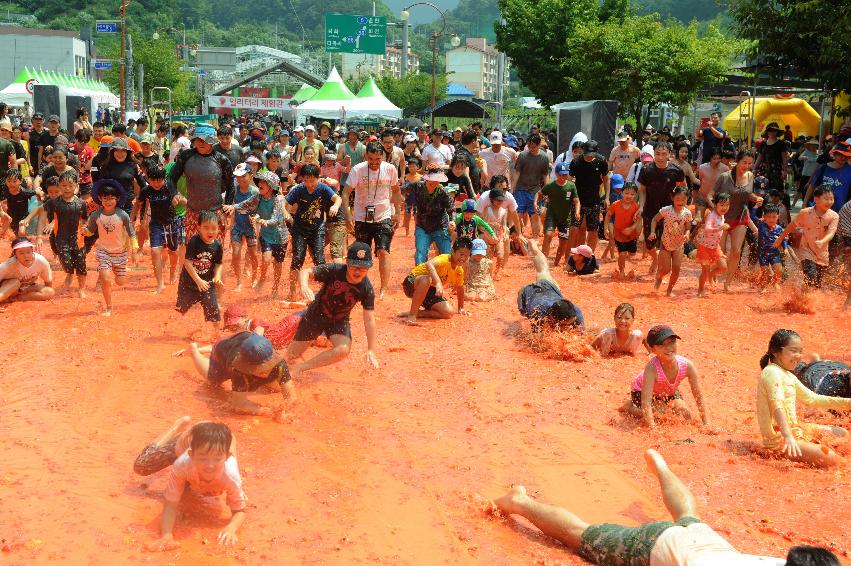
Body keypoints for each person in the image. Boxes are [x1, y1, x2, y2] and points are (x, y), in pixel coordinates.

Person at [492, 448, 837, 565]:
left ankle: (662, 467)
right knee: (579, 536)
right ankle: (519, 501)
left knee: (689, 517)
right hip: (661, 545)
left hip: (708, 542)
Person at [134, 419, 246, 552]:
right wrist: (166, 535)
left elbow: (240, 510)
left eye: (217, 459)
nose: (210, 466)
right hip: (188, 439)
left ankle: (204, 465)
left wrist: (231, 528)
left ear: (227, 456)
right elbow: (170, 504)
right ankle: (175, 427)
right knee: (141, 466)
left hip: (218, 442)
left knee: (212, 487)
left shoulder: (231, 475)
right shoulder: (182, 464)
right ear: (191, 455)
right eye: (203, 459)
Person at [757, 329, 851, 467]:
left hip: (795, 429)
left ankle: (809, 447)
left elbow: (813, 398)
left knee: (842, 433)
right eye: (793, 351)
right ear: (776, 351)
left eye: (800, 351)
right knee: (833, 460)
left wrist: (848, 403)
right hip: (781, 441)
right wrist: (788, 436)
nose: (798, 356)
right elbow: (776, 404)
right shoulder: (771, 372)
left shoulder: (788, 375)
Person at [287, 242, 379, 379]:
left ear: (369, 268)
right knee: (290, 356)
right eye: (354, 267)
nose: (358, 271)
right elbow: (305, 272)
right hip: (315, 316)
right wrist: (304, 287)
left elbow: (369, 319)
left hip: (338, 321)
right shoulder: (335, 270)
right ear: (347, 263)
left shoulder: (366, 288)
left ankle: (302, 367)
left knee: (343, 349)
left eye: (363, 268)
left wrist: (371, 349)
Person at [342, 141, 402, 298]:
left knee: (383, 251)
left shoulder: (390, 169)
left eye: (378, 159)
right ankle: (360, 285)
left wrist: (398, 212)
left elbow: (396, 191)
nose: (374, 163)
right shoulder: (357, 170)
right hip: (362, 217)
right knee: (361, 253)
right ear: (365, 156)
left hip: (384, 216)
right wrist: (348, 215)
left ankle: (383, 288)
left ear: (382, 157)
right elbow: (346, 193)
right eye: (371, 159)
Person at [621, 325, 711, 429]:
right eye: (661, 345)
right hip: (640, 391)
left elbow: (699, 396)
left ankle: (661, 406)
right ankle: (629, 407)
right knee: (660, 416)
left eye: (672, 342)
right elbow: (646, 402)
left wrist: (707, 424)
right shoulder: (651, 369)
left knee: (685, 415)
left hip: (667, 390)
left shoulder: (687, 365)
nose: (669, 348)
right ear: (652, 349)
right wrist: (652, 428)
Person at [167, 123, 235, 242]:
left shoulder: (222, 160)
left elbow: (230, 187)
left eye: (204, 140)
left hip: (216, 213)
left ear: (211, 141)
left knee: (213, 254)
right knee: (193, 254)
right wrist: (174, 194)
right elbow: (172, 178)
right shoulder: (186, 156)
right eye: (197, 140)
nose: (200, 143)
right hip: (193, 213)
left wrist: (226, 211)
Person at [284, 163, 342, 300]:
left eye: (312, 180)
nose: (309, 183)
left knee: (320, 260)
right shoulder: (299, 189)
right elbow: (284, 202)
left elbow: (337, 198)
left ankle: (325, 291)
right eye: (306, 180)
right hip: (299, 228)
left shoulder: (323, 188)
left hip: (317, 228)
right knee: (297, 258)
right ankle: (292, 291)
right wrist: (285, 212)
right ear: (302, 179)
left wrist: (335, 206)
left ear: (318, 177)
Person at [82, 180, 138, 316]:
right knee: (106, 278)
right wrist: (85, 231)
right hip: (104, 251)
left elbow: (131, 233)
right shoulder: (96, 215)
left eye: (111, 198)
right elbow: (90, 231)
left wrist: (134, 250)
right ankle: (109, 307)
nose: (108, 201)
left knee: (120, 282)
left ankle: (116, 269)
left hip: (120, 252)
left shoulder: (122, 215)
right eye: (105, 198)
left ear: (117, 199)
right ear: (100, 199)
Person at [774, 185, 838, 289]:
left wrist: (822, 241)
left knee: (817, 284)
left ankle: (805, 298)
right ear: (816, 199)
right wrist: (780, 238)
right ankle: (805, 302)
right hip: (806, 251)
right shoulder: (806, 213)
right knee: (810, 277)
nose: (829, 201)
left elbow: (831, 233)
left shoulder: (834, 216)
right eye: (826, 199)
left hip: (822, 254)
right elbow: (792, 225)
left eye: (832, 199)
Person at [713, 149, 759, 291]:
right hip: (722, 218)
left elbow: (747, 193)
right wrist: (714, 212)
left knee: (736, 251)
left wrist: (755, 198)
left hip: (740, 217)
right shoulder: (724, 177)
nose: (746, 166)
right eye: (744, 162)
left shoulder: (751, 176)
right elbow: (710, 195)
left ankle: (728, 283)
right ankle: (713, 274)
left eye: (750, 163)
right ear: (737, 161)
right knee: (720, 251)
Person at [134, 164, 184, 293]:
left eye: (160, 180)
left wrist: (189, 205)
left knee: (173, 251)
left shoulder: (169, 187)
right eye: (153, 180)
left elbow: (181, 199)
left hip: (171, 223)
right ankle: (160, 284)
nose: (157, 183)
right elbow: (138, 204)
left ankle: (172, 270)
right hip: (155, 224)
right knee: (155, 251)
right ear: (148, 179)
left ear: (164, 178)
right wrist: (131, 219)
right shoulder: (146, 190)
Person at [400, 236, 472, 324]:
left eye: (467, 256)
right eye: (461, 254)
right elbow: (429, 264)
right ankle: (412, 316)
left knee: (448, 312)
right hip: (411, 283)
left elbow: (460, 288)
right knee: (426, 279)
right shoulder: (444, 259)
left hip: (429, 290)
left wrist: (461, 308)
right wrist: (438, 283)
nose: (463, 258)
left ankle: (417, 313)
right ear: (453, 251)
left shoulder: (459, 271)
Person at [638, 142, 685, 274]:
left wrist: (681, 207)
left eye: (664, 154)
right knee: (649, 245)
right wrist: (641, 206)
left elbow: (683, 188)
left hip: (669, 212)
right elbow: (641, 190)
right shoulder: (646, 170)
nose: (660, 157)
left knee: (666, 242)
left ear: (670, 154)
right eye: (657, 154)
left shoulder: (676, 170)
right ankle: (656, 258)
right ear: (654, 154)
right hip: (649, 211)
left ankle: (663, 270)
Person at [517, 240, 585, 331]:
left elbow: (582, 335)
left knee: (543, 270)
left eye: (570, 324)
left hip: (549, 289)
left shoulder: (576, 313)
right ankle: (533, 245)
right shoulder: (538, 313)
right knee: (524, 314)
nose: (568, 327)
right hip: (528, 293)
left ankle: (534, 246)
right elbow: (536, 341)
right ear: (552, 319)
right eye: (564, 325)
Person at [40, 170, 87, 295]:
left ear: (76, 186)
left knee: (81, 264)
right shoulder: (54, 202)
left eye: (70, 185)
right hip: (61, 238)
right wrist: (43, 230)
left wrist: (85, 228)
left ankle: (81, 288)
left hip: (77, 238)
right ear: (59, 185)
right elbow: (42, 212)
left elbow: (85, 219)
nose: (67, 188)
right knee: (66, 262)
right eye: (64, 185)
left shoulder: (81, 203)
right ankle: (70, 273)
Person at [404, 163, 454, 265]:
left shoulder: (443, 192)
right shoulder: (417, 186)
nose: (434, 182)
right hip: (422, 227)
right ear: (426, 178)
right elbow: (400, 190)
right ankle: (420, 277)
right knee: (420, 254)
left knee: (446, 255)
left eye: (437, 180)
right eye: (431, 179)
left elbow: (451, 209)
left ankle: (444, 277)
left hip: (440, 227)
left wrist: (452, 221)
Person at [648, 185, 693, 296]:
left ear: (687, 199)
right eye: (678, 199)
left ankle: (669, 291)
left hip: (679, 245)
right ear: (672, 198)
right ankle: (659, 275)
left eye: (683, 199)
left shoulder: (687, 213)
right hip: (665, 243)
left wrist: (687, 234)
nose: (680, 202)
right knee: (667, 269)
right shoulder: (666, 210)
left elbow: (688, 228)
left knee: (676, 269)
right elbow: (654, 219)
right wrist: (652, 232)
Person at [252, 171, 289, 298]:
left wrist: (265, 221)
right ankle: (262, 278)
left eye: (264, 182)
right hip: (266, 235)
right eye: (260, 181)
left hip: (280, 237)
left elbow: (276, 219)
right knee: (266, 259)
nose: (260, 184)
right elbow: (256, 212)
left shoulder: (277, 200)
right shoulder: (258, 198)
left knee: (278, 265)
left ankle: (275, 288)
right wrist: (256, 217)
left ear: (271, 186)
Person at [224, 163, 260, 292]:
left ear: (250, 176)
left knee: (253, 255)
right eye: (238, 177)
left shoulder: (255, 191)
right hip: (237, 226)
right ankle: (239, 282)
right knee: (235, 254)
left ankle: (255, 278)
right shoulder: (234, 190)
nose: (240, 179)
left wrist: (234, 207)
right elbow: (226, 203)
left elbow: (251, 205)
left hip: (251, 227)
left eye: (243, 176)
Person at [541, 162, 580, 264]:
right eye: (561, 174)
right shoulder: (550, 186)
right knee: (548, 235)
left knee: (563, 242)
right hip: (552, 216)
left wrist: (577, 212)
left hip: (565, 218)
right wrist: (536, 205)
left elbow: (576, 201)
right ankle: (543, 261)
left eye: (565, 174)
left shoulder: (571, 186)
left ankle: (556, 263)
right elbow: (539, 193)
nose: (563, 177)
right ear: (556, 174)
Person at [513, 133, 551, 238]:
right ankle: (517, 236)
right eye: (529, 146)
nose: (531, 149)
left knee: (535, 215)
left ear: (539, 145)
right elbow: (517, 173)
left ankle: (535, 238)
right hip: (521, 188)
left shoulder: (544, 157)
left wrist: (546, 190)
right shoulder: (523, 155)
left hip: (535, 190)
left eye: (533, 146)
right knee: (518, 214)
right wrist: (513, 188)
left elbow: (545, 175)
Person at [695, 192, 731, 297]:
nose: (724, 207)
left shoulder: (722, 215)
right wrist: (719, 228)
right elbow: (707, 229)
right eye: (722, 204)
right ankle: (700, 290)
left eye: (727, 205)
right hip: (705, 246)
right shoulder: (712, 216)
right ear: (715, 205)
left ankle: (711, 275)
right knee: (704, 270)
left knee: (723, 267)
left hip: (715, 246)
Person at [604, 183, 642, 280]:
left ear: (635, 195)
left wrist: (632, 228)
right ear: (621, 193)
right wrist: (606, 228)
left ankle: (628, 269)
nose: (629, 196)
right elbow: (608, 215)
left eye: (632, 194)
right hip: (619, 234)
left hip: (631, 236)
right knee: (622, 253)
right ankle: (621, 271)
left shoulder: (636, 206)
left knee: (632, 254)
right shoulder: (615, 205)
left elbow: (638, 220)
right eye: (626, 193)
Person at [0, 238, 54, 303]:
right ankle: (4, 297)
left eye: (28, 252)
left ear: (32, 250)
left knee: (50, 292)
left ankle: (16, 299)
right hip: (8, 288)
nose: (26, 256)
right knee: (16, 282)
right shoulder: (8, 265)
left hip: (26, 289)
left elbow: (48, 281)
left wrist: (46, 295)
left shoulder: (41, 261)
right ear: (15, 254)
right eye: (21, 253)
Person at [753, 203, 787, 292]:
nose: (771, 219)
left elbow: (783, 240)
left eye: (774, 217)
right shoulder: (761, 224)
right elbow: (752, 216)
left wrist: (785, 248)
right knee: (765, 272)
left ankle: (775, 282)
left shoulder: (780, 229)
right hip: (762, 253)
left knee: (779, 270)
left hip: (774, 253)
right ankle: (763, 286)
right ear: (764, 217)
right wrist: (756, 207)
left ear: (778, 216)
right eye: (768, 217)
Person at [754, 122, 790, 194]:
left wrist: (785, 171)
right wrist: (754, 169)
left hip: (776, 171)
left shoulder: (781, 143)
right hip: (763, 170)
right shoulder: (763, 144)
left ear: (777, 132)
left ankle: (776, 205)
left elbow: (784, 159)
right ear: (767, 132)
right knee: (762, 191)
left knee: (776, 191)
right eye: (770, 130)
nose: (772, 132)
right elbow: (759, 158)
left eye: (774, 130)